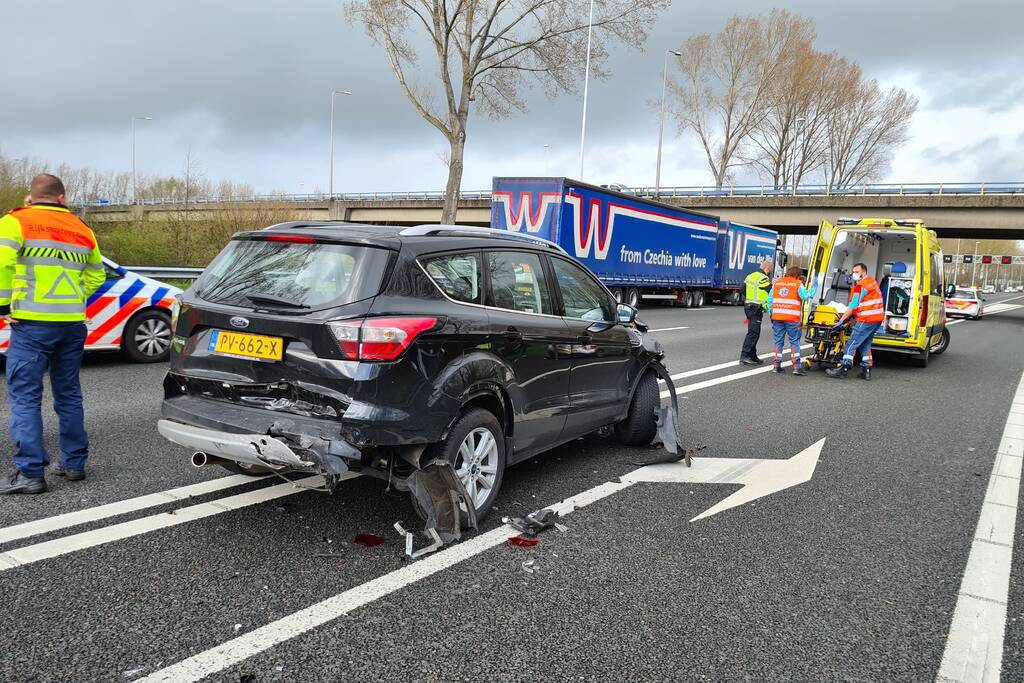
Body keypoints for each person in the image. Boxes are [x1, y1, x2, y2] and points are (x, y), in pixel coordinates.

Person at [0, 174, 105, 494]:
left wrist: (3, 304)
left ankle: (31, 473)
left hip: (32, 323)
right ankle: (73, 464)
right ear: (62, 197)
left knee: (25, 397)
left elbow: (2, 264)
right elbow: (97, 275)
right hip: (72, 323)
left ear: (30, 196)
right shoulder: (81, 228)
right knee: (69, 394)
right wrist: (72, 298)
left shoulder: (16, 221)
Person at [825, 262, 885, 381]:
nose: (854, 274)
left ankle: (844, 368)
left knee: (852, 343)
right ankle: (866, 370)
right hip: (877, 319)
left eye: (857, 272)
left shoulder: (861, 286)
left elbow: (853, 305)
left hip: (866, 319)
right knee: (865, 344)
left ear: (864, 272)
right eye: (853, 272)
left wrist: (841, 320)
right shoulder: (872, 282)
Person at [767, 266, 816, 376]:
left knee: (778, 341)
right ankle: (797, 367)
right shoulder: (798, 283)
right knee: (794, 341)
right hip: (792, 319)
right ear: (797, 275)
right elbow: (806, 296)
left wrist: (771, 314)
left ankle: (776, 366)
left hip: (777, 317)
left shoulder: (777, 283)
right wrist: (814, 288)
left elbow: (769, 300)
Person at [739, 259, 773, 365]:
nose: (770, 272)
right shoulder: (763, 278)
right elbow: (770, 290)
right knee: (753, 332)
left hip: (749, 306)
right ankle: (744, 356)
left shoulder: (750, 276)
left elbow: (742, 289)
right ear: (767, 268)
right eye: (770, 270)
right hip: (755, 308)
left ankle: (752, 356)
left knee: (755, 332)